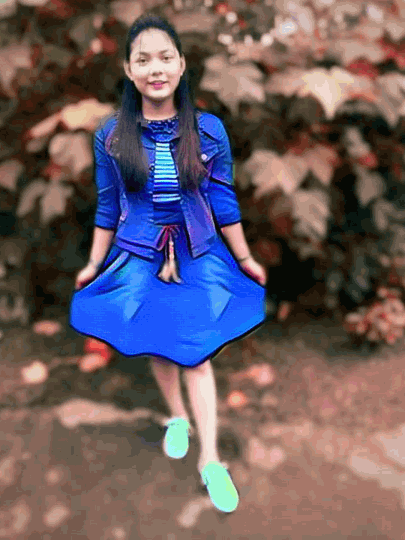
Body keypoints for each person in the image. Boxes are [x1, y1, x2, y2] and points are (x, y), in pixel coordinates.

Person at [69, 12, 267, 513]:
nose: (155, 68)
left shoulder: (209, 130)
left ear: (181, 65)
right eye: (143, 59)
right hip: (140, 257)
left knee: (196, 354)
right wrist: (94, 263)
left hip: (197, 255)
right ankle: (177, 416)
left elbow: (223, 200)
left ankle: (211, 459)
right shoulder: (112, 135)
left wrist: (244, 256)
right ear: (129, 69)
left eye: (165, 57)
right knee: (159, 348)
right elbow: (107, 206)